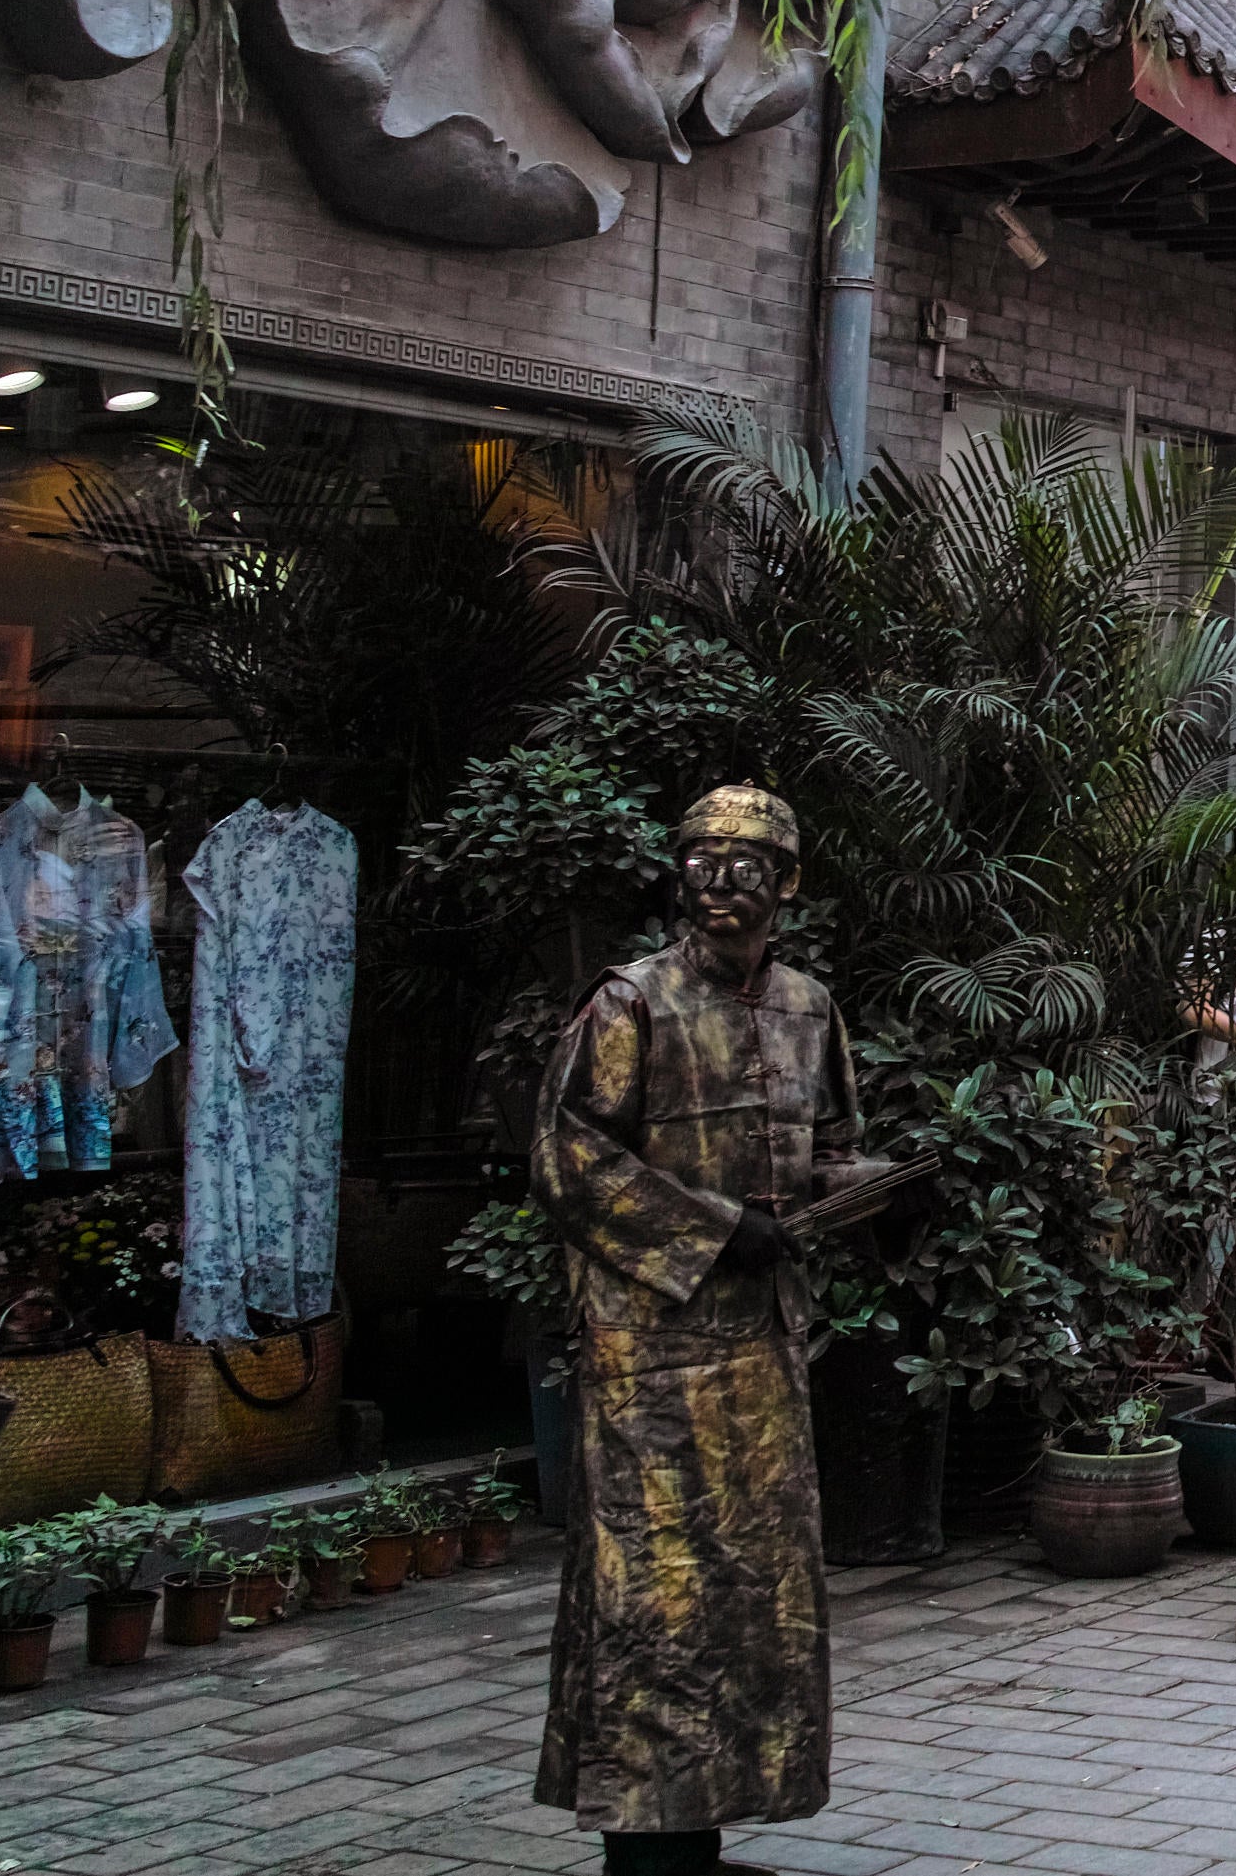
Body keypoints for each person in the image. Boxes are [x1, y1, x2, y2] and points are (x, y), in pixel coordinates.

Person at [533, 785, 881, 1875]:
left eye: (745, 870)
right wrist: (713, 1228)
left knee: (752, 1588)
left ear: (787, 884)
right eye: (699, 867)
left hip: (760, 1351)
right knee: (656, 1586)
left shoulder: (808, 1007)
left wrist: (877, 1191)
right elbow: (567, 1157)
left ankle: (707, 1820)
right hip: (651, 1350)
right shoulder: (632, 1003)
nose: (721, 889)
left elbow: (828, 1145)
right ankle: (643, 1840)